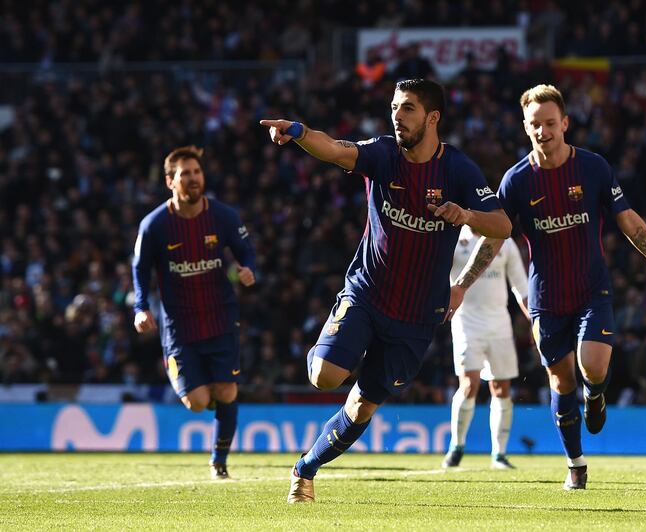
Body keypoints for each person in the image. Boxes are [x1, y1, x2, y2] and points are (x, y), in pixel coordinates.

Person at [260, 78, 511, 503]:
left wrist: (466, 214)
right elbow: (337, 149)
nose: (397, 115)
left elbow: (502, 225)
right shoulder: (383, 154)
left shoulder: (459, 170)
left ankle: (305, 469)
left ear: (432, 117)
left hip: (416, 316)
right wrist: (300, 131)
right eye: (394, 107)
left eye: (408, 108)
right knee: (323, 377)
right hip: (368, 294)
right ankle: (331, 344)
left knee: (360, 408)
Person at [452, 85, 646, 489]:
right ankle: (575, 464)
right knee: (561, 382)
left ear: (565, 123)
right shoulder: (515, 182)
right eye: (535, 125)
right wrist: (461, 285)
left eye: (550, 123)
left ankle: (596, 394)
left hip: (590, 290)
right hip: (546, 299)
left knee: (593, 368)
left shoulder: (593, 168)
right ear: (525, 127)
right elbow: (494, 239)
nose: (543, 131)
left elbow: (628, 219)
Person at [132, 145, 256, 479]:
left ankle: (219, 461)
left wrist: (247, 268)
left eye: (197, 172)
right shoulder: (154, 225)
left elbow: (246, 251)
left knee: (228, 391)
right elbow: (140, 269)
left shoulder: (223, 216)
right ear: (170, 181)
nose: (193, 178)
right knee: (198, 402)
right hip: (180, 325)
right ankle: (206, 393)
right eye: (185, 174)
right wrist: (141, 306)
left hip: (221, 319)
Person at [442, 226, 528, 470]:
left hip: (500, 325)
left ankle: (499, 454)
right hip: (466, 323)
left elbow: (521, 287)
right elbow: (435, 275)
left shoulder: (505, 241)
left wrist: (536, 322)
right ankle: (456, 447)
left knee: (501, 388)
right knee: (469, 385)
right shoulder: (454, 240)